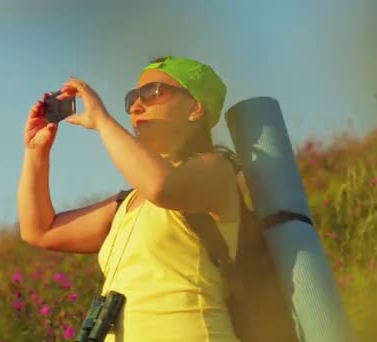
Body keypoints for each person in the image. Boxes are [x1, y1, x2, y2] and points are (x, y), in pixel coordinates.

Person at [17, 56, 241, 342]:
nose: (136, 106)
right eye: (132, 98)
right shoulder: (128, 203)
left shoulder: (216, 171)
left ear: (195, 107)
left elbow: (162, 186)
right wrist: (36, 151)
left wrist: (102, 121)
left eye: (154, 93)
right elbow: (40, 230)